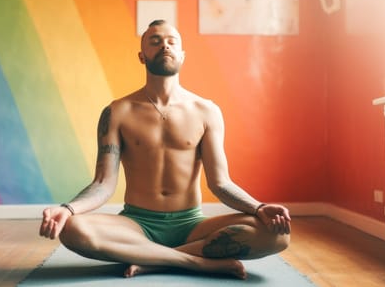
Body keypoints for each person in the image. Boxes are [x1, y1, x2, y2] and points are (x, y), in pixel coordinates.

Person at [39, 19, 291, 279]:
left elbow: (221, 183)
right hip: (136, 225)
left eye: (172, 41)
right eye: (155, 41)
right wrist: (67, 209)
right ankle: (194, 261)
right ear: (142, 56)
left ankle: (153, 260)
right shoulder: (117, 112)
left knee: (278, 234)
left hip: (192, 225)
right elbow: (103, 183)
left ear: (182, 55)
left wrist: (259, 208)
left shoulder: (207, 111)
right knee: (72, 228)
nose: (165, 46)